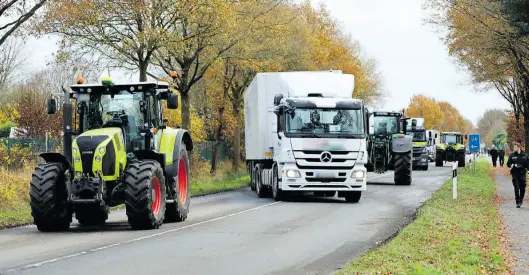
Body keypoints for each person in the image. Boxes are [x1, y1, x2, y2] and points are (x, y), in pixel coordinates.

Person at [507, 142, 528, 208]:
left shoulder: (524, 155)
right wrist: (513, 165)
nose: (514, 148)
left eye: (515, 147)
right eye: (514, 147)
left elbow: (527, 164)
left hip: (522, 174)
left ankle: (521, 200)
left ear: (519, 147)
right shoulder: (512, 155)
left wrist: (522, 166)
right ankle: (517, 202)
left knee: (522, 188)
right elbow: (508, 164)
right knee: (516, 187)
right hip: (515, 174)